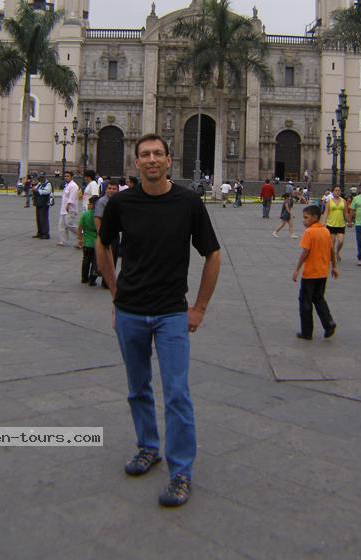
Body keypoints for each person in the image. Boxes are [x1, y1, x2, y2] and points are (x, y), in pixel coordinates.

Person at [96, 134, 221, 508]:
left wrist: (199, 308)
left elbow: (213, 254)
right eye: (145, 155)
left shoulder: (188, 203)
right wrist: (115, 292)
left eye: (157, 154)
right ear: (136, 162)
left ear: (169, 159)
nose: (151, 160)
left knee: (177, 394)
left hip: (171, 314)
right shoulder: (121, 203)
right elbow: (102, 244)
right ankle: (148, 447)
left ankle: (181, 471)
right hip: (130, 311)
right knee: (137, 388)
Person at [292, 204, 338, 340]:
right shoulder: (325, 231)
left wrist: (297, 269)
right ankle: (329, 323)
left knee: (305, 302)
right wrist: (334, 267)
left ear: (315, 217)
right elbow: (331, 250)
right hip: (323, 273)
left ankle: (307, 332)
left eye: (306, 217)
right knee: (319, 298)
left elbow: (305, 252)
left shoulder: (309, 232)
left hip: (310, 273)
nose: (304, 220)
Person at [94, 179, 120, 287]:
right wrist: (100, 235)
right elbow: (97, 218)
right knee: (105, 258)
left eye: (114, 189)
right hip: (105, 234)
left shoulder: (118, 201)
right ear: (105, 190)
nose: (111, 190)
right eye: (109, 188)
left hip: (115, 234)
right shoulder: (102, 202)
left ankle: (108, 281)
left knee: (113, 257)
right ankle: (102, 280)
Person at [77, 195, 99, 285]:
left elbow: (80, 228)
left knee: (86, 260)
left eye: (89, 203)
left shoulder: (85, 214)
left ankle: (84, 278)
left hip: (87, 241)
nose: (88, 205)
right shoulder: (100, 215)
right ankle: (92, 279)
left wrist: (80, 239)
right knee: (95, 261)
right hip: (96, 242)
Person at [322, 184, 346, 262]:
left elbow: (345, 213)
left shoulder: (343, 201)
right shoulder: (329, 201)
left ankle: (337, 252)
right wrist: (323, 222)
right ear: (333, 192)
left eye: (339, 190)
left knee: (341, 241)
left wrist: (349, 221)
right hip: (331, 224)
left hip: (341, 224)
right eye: (336, 190)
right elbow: (326, 212)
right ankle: (331, 255)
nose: (337, 192)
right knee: (332, 242)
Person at [58, 171, 80, 246]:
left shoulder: (74, 186)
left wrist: (68, 204)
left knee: (69, 224)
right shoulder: (66, 185)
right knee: (61, 225)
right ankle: (62, 241)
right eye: (65, 176)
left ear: (72, 177)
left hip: (70, 209)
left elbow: (72, 197)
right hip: (63, 209)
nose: (66, 178)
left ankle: (80, 235)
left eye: (68, 176)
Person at [33, 172, 52, 239]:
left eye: (42, 177)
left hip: (44, 203)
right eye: (40, 177)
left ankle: (45, 234)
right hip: (38, 203)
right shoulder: (39, 183)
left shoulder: (48, 184)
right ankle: (40, 232)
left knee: (43, 219)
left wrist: (37, 191)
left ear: (44, 177)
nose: (40, 179)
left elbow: (47, 191)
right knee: (38, 218)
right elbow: (35, 188)